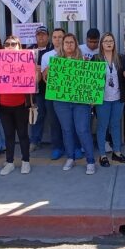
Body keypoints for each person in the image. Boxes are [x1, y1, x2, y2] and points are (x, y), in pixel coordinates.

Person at [49, 33, 99, 174]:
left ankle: (90, 160)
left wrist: (92, 97)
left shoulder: (84, 60)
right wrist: (48, 72)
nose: (69, 44)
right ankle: (70, 157)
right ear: (62, 45)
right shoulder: (56, 61)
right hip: (61, 102)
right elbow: (48, 80)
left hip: (80, 103)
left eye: (72, 42)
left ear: (76, 45)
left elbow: (91, 82)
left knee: (83, 130)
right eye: (66, 42)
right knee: (67, 130)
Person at [92, 32, 125, 167]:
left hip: (117, 98)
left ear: (114, 43)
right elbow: (91, 80)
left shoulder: (120, 58)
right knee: (102, 126)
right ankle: (102, 155)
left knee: (115, 125)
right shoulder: (96, 58)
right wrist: (92, 97)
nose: (109, 43)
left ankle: (117, 152)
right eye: (106, 41)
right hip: (102, 99)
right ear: (101, 44)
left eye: (111, 41)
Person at [0, 36, 33, 175]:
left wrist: (35, 72)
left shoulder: (26, 62)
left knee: (23, 134)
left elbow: (34, 83)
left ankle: (26, 161)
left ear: (19, 46)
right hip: (3, 105)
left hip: (20, 104)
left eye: (14, 44)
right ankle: (10, 162)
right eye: (7, 44)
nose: (10, 46)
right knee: (8, 135)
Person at [40, 28, 70, 160]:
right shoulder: (46, 56)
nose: (57, 39)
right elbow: (43, 78)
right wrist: (46, 71)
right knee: (54, 122)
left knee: (70, 122)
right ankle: (57, 147)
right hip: (52, 94)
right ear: (51, 39)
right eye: (55, 37)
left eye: (60, 37)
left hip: (69, 94)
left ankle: (73, 146)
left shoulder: (71, 54)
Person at [29, 26, 51, 152]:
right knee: (38, 116)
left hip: (51, 90)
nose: (41, 37)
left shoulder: (53, 50)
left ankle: (57, 142)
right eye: (39, 35)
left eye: (43, 34)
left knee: (55, 117)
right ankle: (35, 141)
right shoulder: (29, 50)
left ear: (48, 36)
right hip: (36, 91)